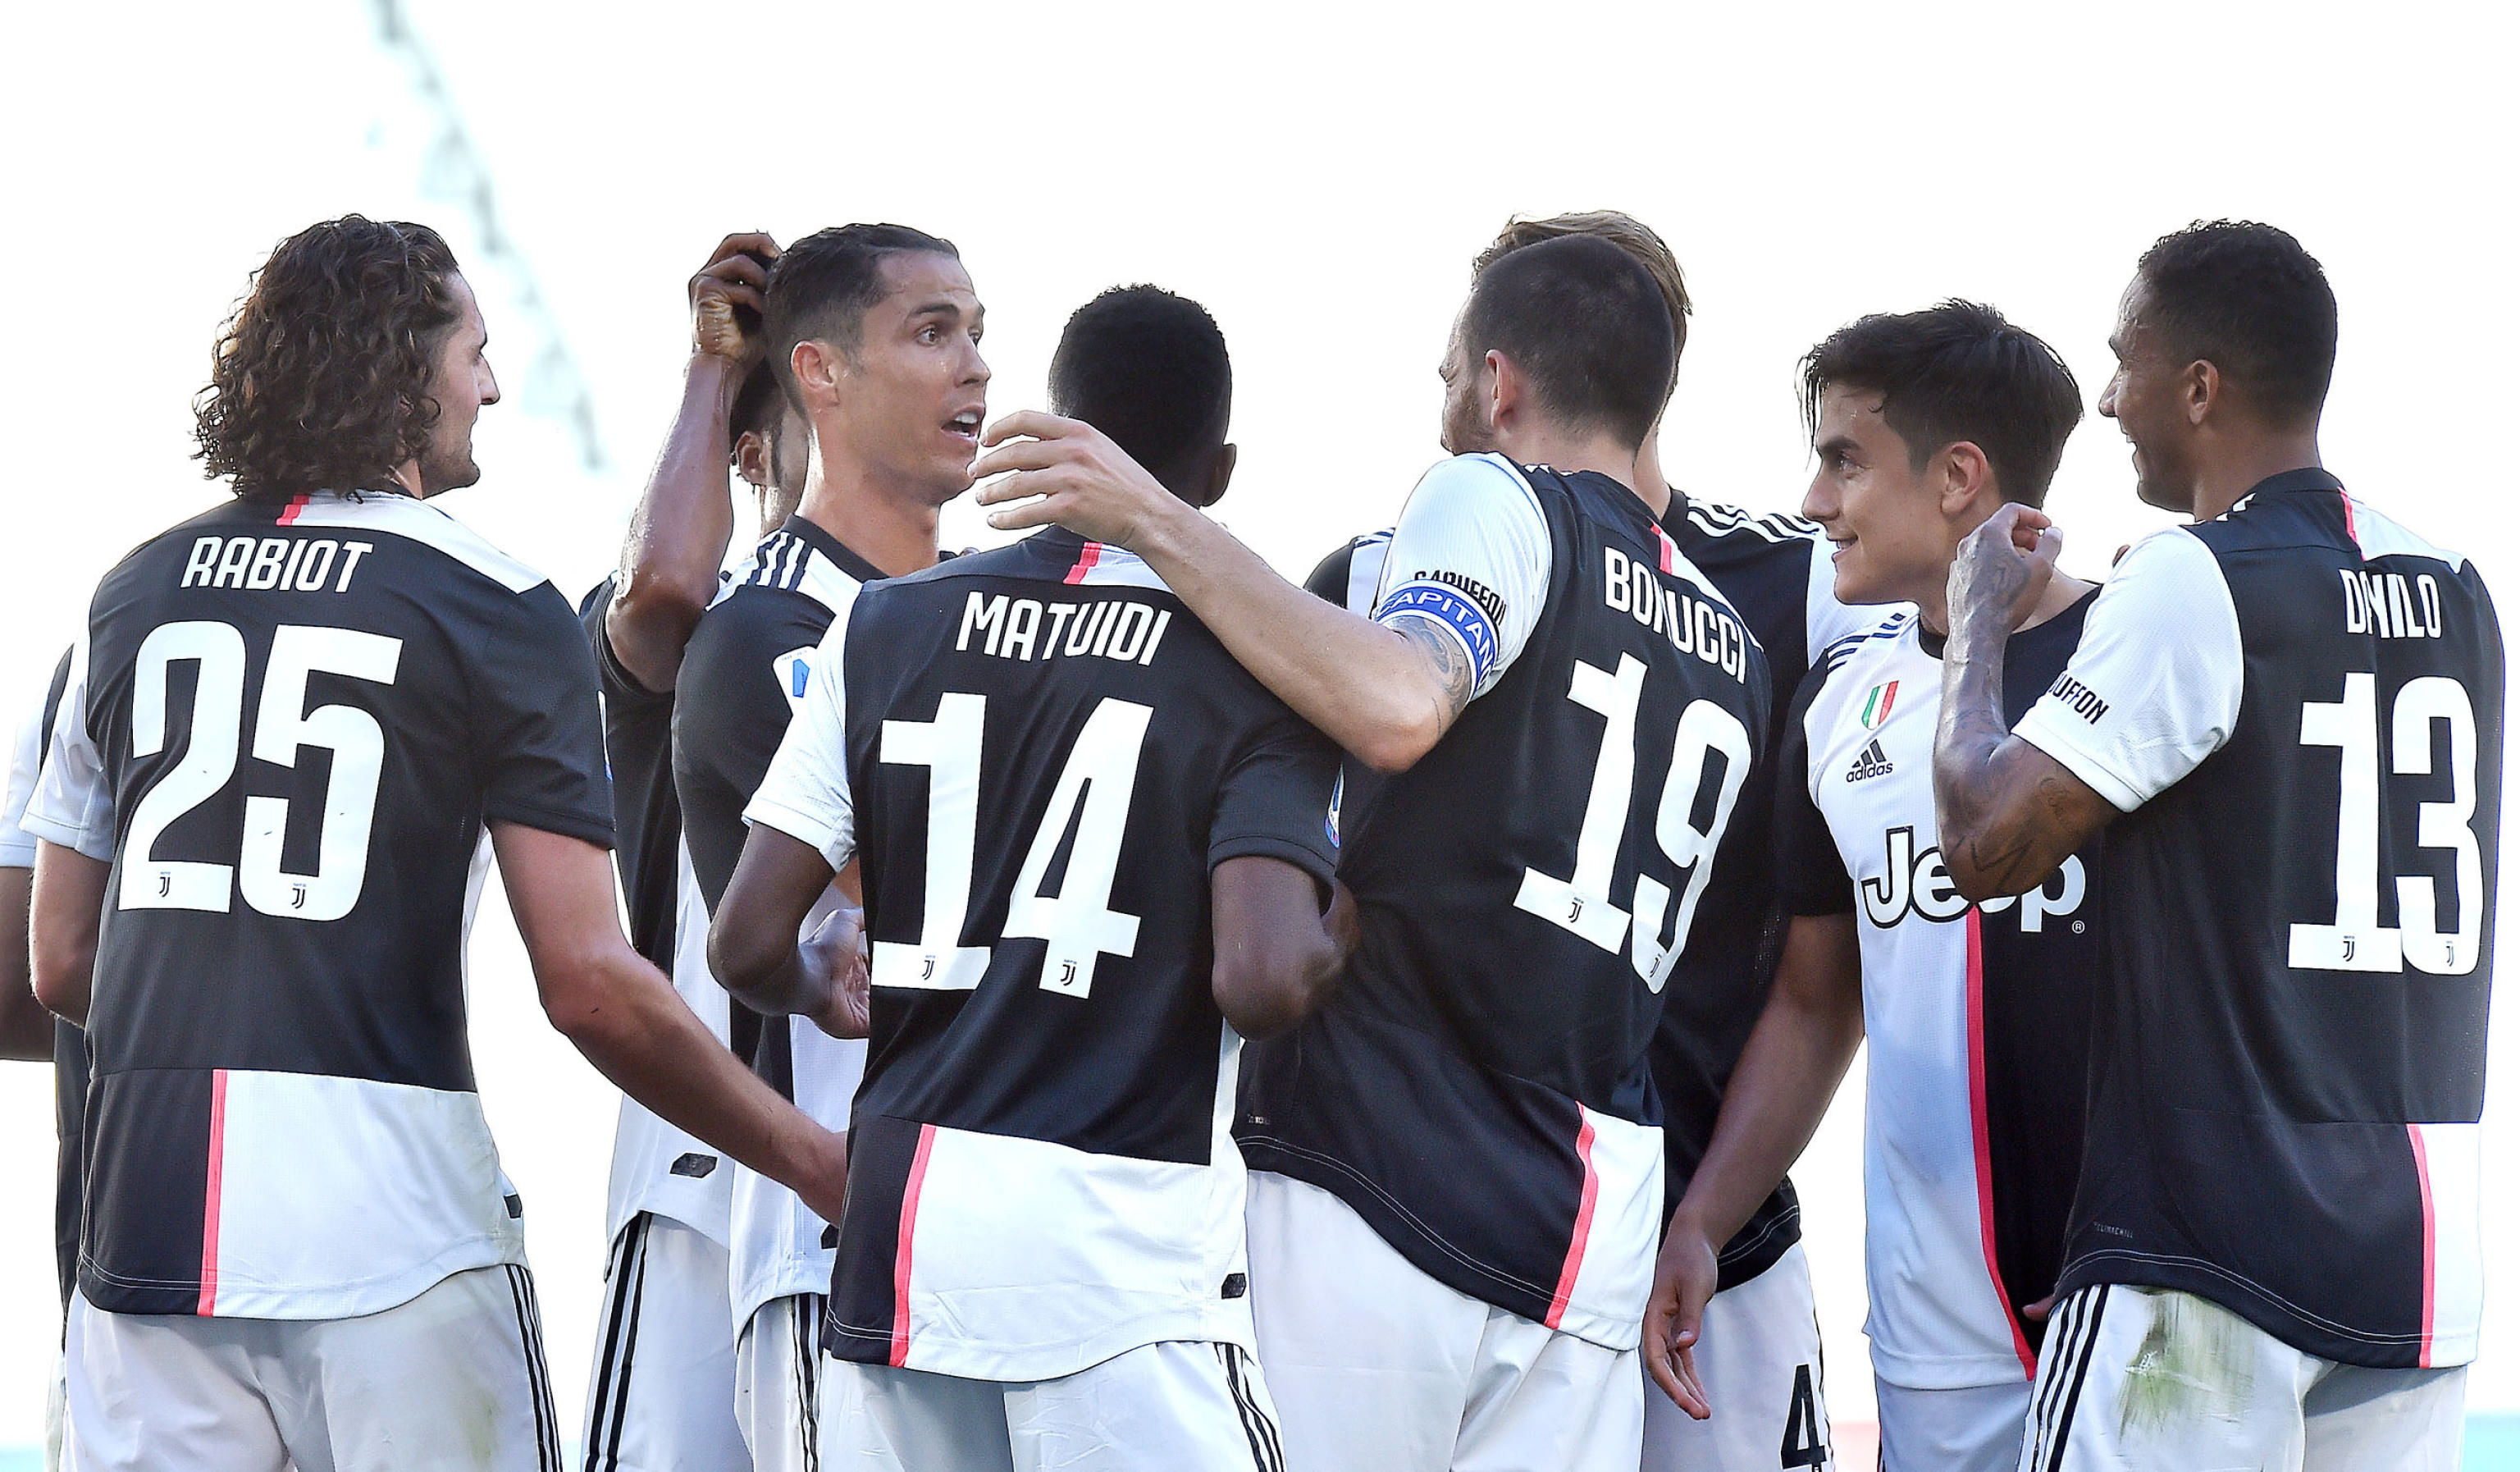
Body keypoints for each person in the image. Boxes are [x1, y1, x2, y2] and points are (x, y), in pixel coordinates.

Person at [21, 215, 850, 1472]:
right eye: (474, 350)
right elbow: (583, 983)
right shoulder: (492, 604)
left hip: (145, 1240)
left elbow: (63, 961)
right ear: (403, 371)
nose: (495, 384)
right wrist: (810, 1157)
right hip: (391, 1235)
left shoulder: (125, 596)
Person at [974, 234, 1769, 1472]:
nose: (1447, 404)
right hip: (1589, 1220)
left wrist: (1149, 515)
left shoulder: (1493, 494)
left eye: (1453, 372)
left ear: (1502, 384)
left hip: (1384, 1170)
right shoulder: (1731, 636)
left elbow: (1401, 702)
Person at [710, 281, 1349, 1472]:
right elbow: (1264, 977)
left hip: (904, 1244)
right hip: (1118, 1253)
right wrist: (1359, 914)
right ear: (1214, 470)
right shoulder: (1258, 655)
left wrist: (815, 980)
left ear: (1061, 430)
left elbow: (745, 942)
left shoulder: (888, 621)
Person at [1932, 221, 2499, 1471]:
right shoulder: (2460, 588)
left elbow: (1984, 841)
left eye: (2123, 361)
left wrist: (1974, 622)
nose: (2107, 399)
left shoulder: (2196, 578)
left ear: (2199, 386)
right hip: (2417, 1267)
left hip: (2210, 1247)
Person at [1646, 302, 2093, 1472]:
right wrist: (1701, 1220)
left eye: (1844, 459)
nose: (1812, 501)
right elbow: (1812, 1001)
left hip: (2141, 1300)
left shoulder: (2138, 648)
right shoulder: (1838, 704)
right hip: (1931, 1336)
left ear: (1957, 478)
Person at [673, 221, 984, 1471]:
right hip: (837, 1238)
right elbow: (898, 901)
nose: (973, 367)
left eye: (978, 334)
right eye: (931, 332)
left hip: (1012, 1243)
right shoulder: (766, 629)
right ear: (820, 375)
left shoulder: (992, 609)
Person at [578, 231, 810, 1472]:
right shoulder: (700, 617)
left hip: (882, 1176)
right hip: (697, 1176)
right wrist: (714, 374)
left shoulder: (966, 614)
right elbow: (660, 591)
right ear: (755, 454)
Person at [0, 649, 76, 1472]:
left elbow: (22, 992)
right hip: (389, 1267)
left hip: (124, 1259)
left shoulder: (100, 642)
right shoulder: (473, 607)